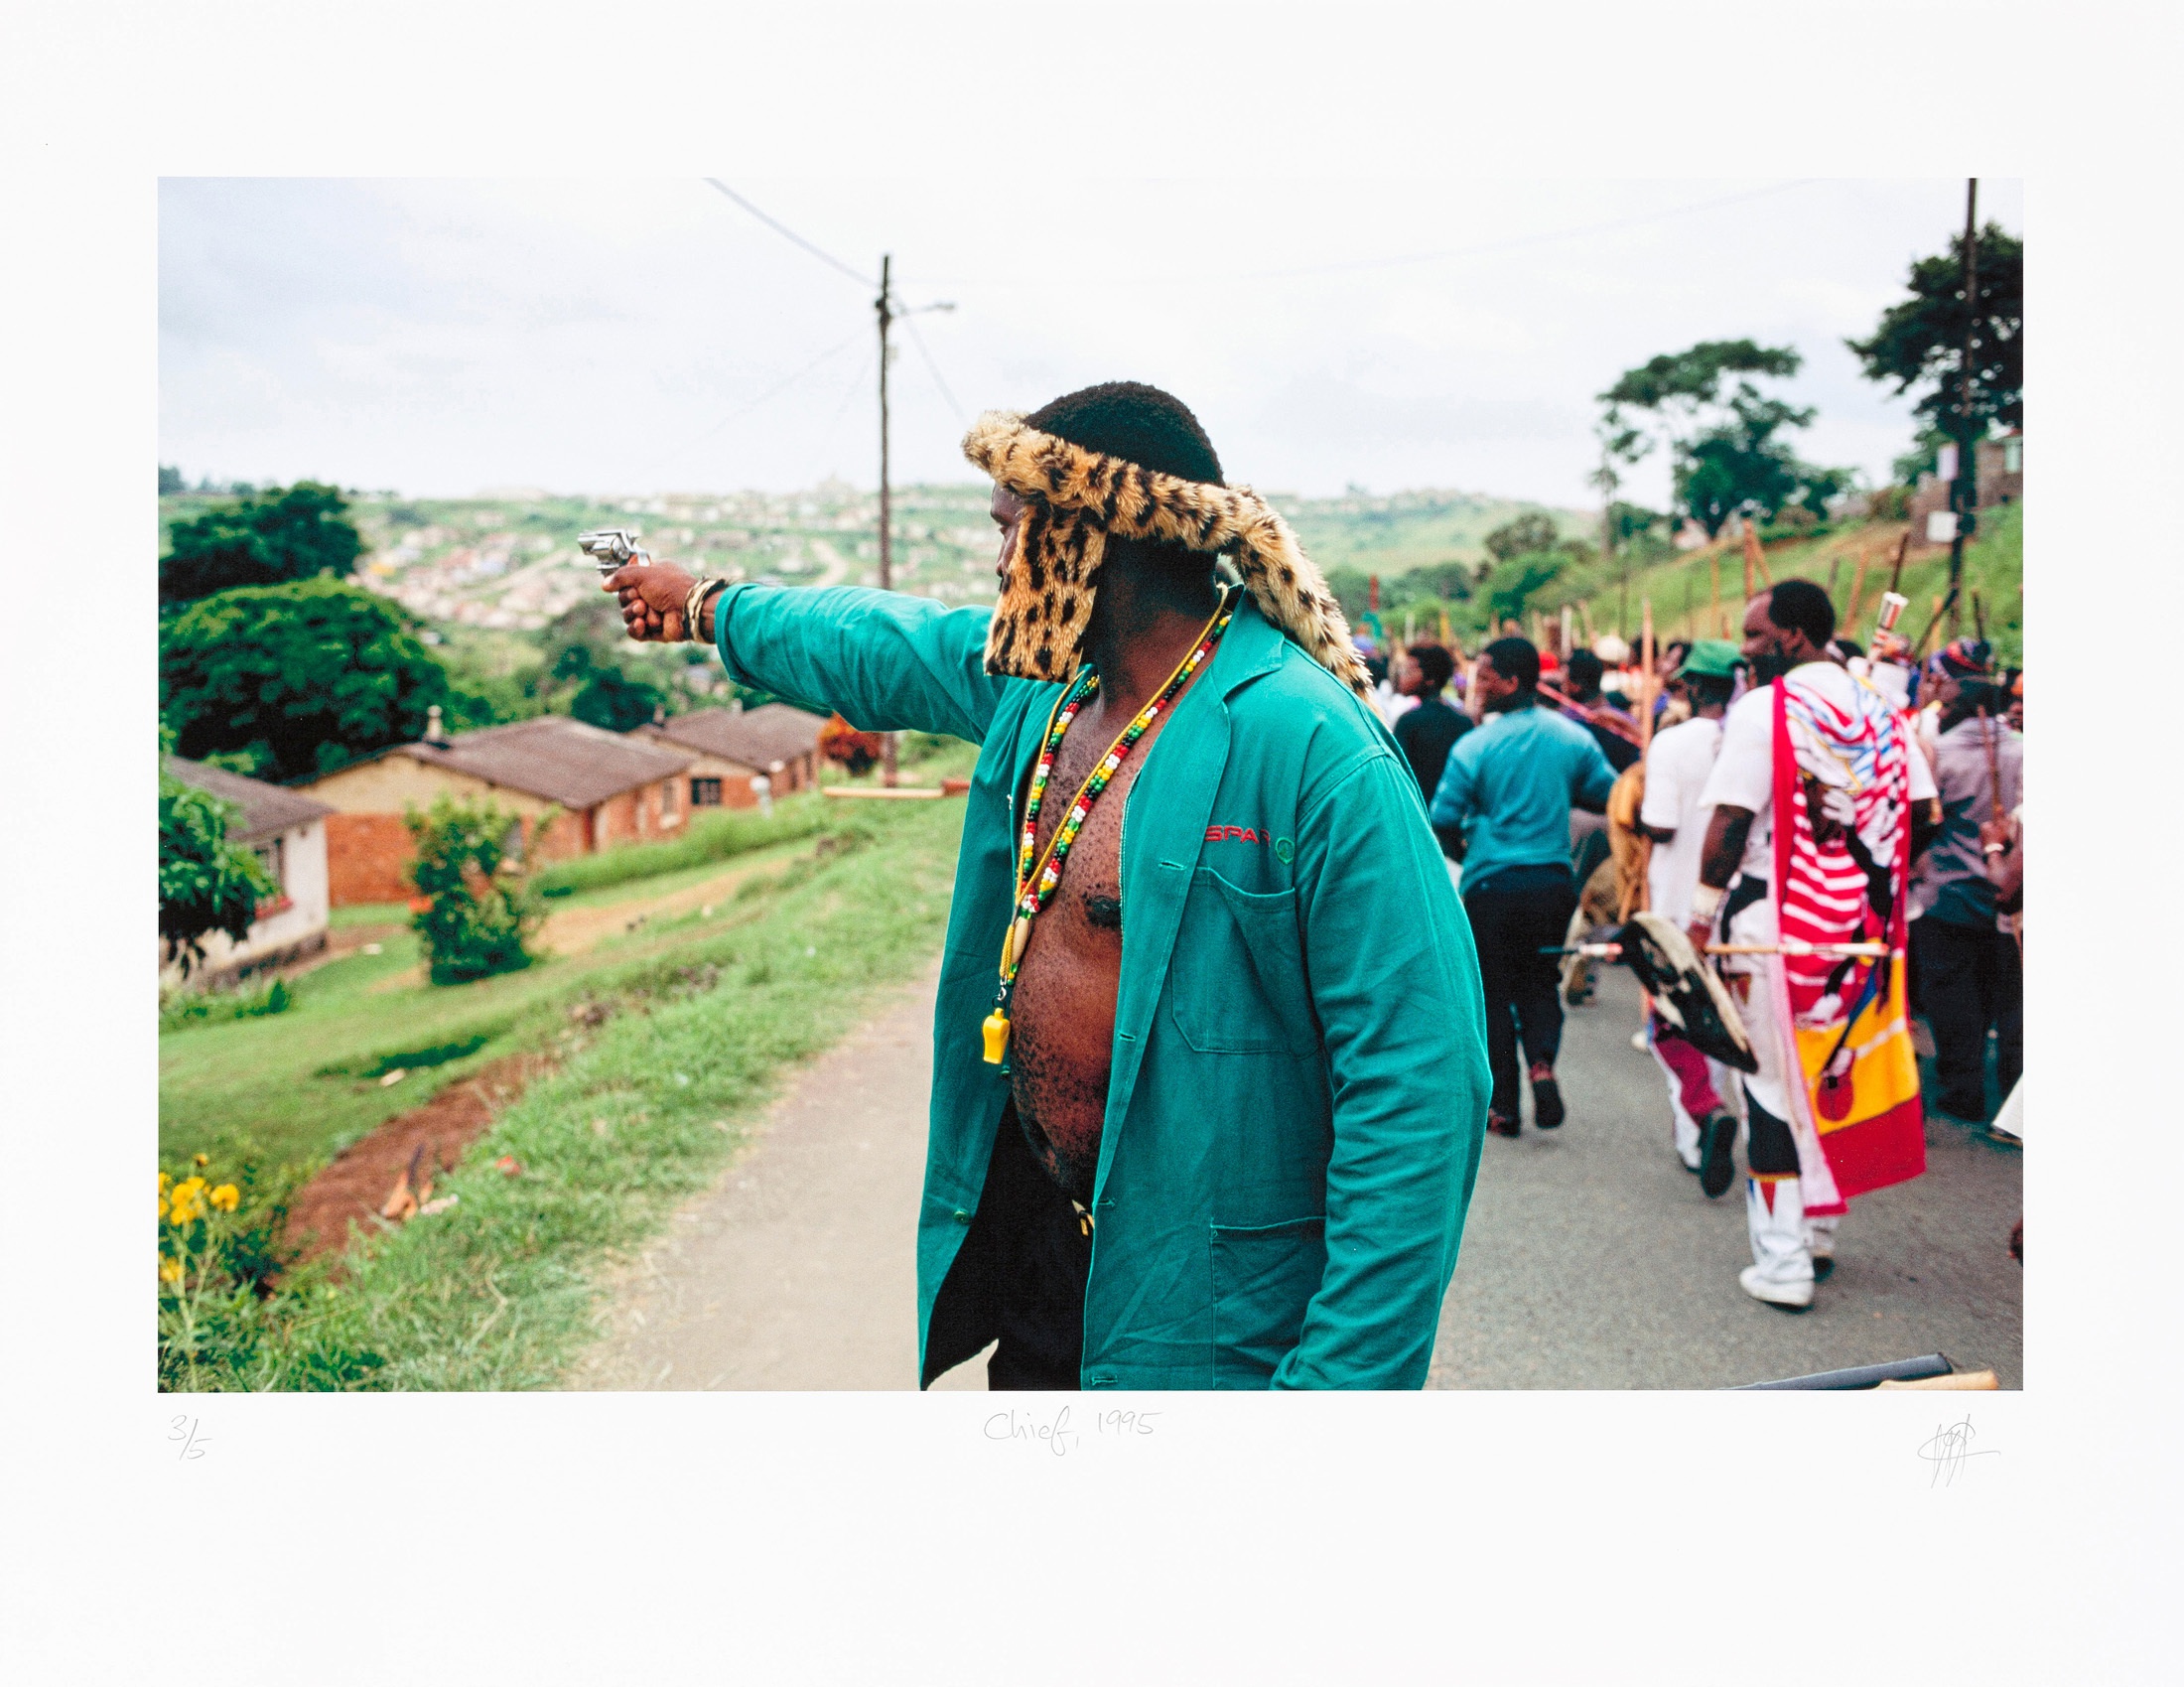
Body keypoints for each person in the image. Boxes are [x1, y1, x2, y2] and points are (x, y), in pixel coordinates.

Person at [605, 380, 1491, 1390]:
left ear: (1085, 534)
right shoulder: (1048, 693)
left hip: (1213, 1320)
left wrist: (1338, 1395)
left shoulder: (1310, 747)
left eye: (1009, 529)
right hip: (1048, 1270)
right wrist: (705, 606)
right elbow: (878, 641)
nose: (998, 563)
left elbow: (1420, 1084)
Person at [1687, 581, 1939, 1310]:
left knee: (1768, 1089)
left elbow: (1731, 823)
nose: (1745, 649)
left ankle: (1784, 1261)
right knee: (1828, 1078)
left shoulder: (1765, 707)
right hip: (1857, 931)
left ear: (1793, 636)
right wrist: (1859, 859)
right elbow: (1925, 814)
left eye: (1755, 634)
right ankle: (1819, 1233)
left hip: (1771, 927)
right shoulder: (1882, 710)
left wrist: (1697, 923)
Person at [1431, 635, 1617, 1138]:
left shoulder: (1474, 746)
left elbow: (1442, 818)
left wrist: (1470, 854)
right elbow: (1611, 796)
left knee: (1492, 992)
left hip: (1491, 886)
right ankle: (1541, 1064)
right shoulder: (1573, 738)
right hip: (1552, 883)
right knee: (1539, 980)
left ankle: (1504, 1109)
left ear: (1512, 682)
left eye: (1486, 676)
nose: (1478, 685)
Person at [1636, 639, 1744, 1196]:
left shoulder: (1672, 743)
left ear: (1695, 686)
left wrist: (1635, 811)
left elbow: (1662, 825)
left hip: (1681, 904)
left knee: (1673, 1023)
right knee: (1730, 1022)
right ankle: (1719, 1124)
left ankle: (1701, 1120)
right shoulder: (1751, 738)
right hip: (1743, 907)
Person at [1908, 661, 2023, 1124]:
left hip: (1951, 892)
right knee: (2000, 995)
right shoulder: (2024, 750)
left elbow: (1924, 816)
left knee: (1953, 995)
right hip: (2005, 898)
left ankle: (1963, 1089)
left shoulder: (1939, 753)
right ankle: (2005, 1092)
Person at [1390, 641, 1469, 863]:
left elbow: (1399, 777)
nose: (1402, 676)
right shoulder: (1462, 721)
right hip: (1453, 824)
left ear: (1430, 679)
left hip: (1419, 821)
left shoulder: (1408, 722)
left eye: (1410, 671)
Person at [1558, 648, 1642, 773]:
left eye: (1564, 682)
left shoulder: (1567, 724)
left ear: (1575, 686)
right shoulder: (1625, 722)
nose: (1562, 687)